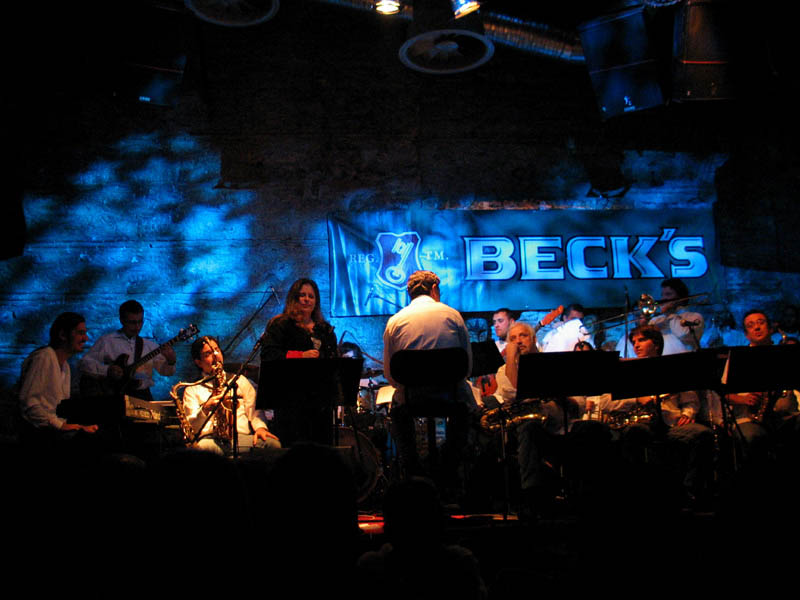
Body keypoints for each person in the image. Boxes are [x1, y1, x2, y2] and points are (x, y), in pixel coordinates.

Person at [383, 270, 474, 481]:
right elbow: (467, 368)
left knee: (397, 412)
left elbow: (390, 375)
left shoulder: (395, 321)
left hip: (413, 402)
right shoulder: (453, 316)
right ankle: (450, 468)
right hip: (450, 400)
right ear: (434, 289)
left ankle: (413, 470)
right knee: (466, 410)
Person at [612, 324, 713, 501]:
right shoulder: (627, 370)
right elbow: (608, 401)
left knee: (704, 434)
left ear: (656, 344)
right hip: (642, 423)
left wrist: (687, 414)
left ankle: (689, 491)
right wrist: (637, 399)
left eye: (642, 340)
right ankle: (636, 492)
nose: (636, 345)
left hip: (670, 424)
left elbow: (690, 399)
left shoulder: (672, 368)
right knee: (635, 433)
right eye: (634, 342)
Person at [261, 278, 338, 445]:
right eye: (302, 295)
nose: (307, 299)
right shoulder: (281, 325)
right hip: (290, 401)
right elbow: (269, 355)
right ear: (293, 298)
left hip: (320, 403)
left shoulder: (324, 330)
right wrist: (300, 356)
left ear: (316, 301)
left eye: (311, 296)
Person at [181, 336, 280, 455]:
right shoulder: (192, 389)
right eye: (208, 354)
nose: (215, 355)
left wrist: (260, 428)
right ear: (198, 362)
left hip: (241, 437)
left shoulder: (239, 380)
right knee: (202, 449)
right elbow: (192, 426)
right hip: (211, 440)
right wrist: (205, 409)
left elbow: (255, 411)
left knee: (273, 445)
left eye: (216, 350)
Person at [722, 309, 799, 460]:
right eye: (751, 326)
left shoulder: (786, 354)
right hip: (749, 418)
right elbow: (723, 393)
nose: (757, 328)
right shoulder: (737, 358)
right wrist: (743, 399)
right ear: (746, 335)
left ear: (770, 329)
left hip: (784, 416)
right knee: (751, 437)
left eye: (761, 323)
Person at [17, 312, 99, 436]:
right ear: (63, 335)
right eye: (80, 333)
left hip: (53, 430)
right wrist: (60, 425)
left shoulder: (65, 365)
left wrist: (77, 426)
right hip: (38, 433)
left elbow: (58, 408)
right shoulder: (44, 357)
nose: (86, 338)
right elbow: (29, 403)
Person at [79, 299, 176, 401]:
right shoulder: (107, 341)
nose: (137, 327)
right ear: (122, 320)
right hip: (115, 396)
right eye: (132, 322)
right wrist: (107, 370)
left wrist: (171, 361)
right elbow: (84, 363)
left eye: (140, 322)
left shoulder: (150, 346)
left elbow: (166, 372)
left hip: (143, 396)